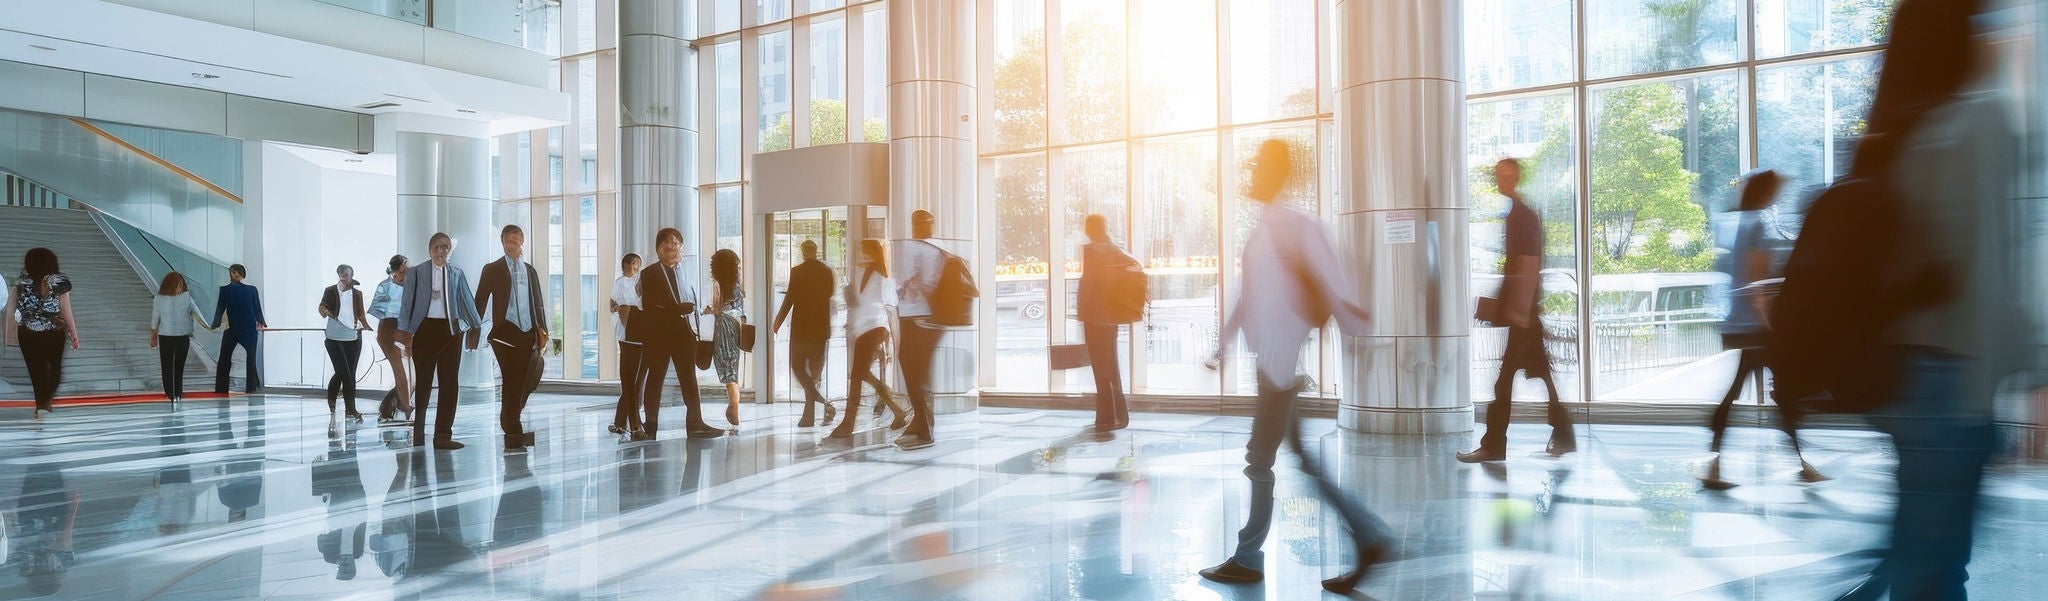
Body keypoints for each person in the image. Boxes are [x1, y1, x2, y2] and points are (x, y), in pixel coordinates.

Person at [1838, 1, 2033, 598]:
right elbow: (1989, 270)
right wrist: (2014, 387)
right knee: (1933, 568)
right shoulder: (1979, 119)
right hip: (1952, 377)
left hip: (1902, 377)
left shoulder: (1891, 132)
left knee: (1918, 560)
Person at [1199, 139, 1389, 594]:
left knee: (1264, 457)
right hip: (1274, 365)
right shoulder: (1264, 230)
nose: (1251, 174)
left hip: (1280, 369)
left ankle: (1362, 538)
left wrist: (1358, 329)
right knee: (1283, 458)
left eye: (1260, 167)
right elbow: (1248, 296)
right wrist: (1221, 346)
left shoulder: (1296, 226)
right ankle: (1363, 538)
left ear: (1278, 173)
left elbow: (1334, 285)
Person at [1701, 170, 1825, 489]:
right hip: (1757, 326)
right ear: (1766, 192)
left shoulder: (1740, 222)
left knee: (1754, 393)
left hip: (1742, 323)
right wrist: (1773, 324)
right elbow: (1758, 282)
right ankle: (1799, 463)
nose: (1779, 196)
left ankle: (1718, 462)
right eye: (1776, 190)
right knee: (1778, 394)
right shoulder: (1758, 223)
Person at [1459, 158, 1574, 463]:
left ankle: (1495, 444)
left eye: (1507, 176)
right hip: (1525, 313)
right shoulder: (1520, 213)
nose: (1502, 181)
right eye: (1499, 175)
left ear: (1517, 177)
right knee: (1541, 376)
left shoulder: (1521, 216)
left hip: (1523, 314)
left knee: (1504, 381)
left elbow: (1527, 262)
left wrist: (1518, 310)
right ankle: (1562, 432)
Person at [397, 233, 484, 451]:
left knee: (449, 385)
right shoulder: (417, 273)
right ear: (429, 250)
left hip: (451, 332)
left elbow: (466, 299)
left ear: (449, 251)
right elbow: (406, 305)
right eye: (437, 247)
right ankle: (418, 433)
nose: (440, 251)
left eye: (445, 247)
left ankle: (443, 436)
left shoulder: (456, 273)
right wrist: (405, 335)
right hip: (424, 331)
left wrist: (476, 325)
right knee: (424, 384)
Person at [638, 228, 723, 440]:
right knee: (655, 379)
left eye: (677, 244)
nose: (674, 248)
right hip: (659, 335)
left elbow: (691, 297)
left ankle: (695, 424)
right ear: (659, 249)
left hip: (685, 333)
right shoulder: (649, 273)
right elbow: (650, 306)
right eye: (669, 244)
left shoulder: (685, 271)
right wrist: (675, 309)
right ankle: (651, 425)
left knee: (689, 379)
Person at [474, 225, 549, 452]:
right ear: (502, 242)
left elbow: (538, 302)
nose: (512, 244)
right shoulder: (492, 269)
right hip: (504, 332)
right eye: (508, 241)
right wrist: (472, 330)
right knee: (511, 378)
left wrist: (543, 330)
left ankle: (511, 419)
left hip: (528, 332)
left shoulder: (530, 270)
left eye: (516, 240)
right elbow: (480, 300)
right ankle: (512, 428)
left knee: (527, 378)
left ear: (522, 241)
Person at [829, 239, 907, 438]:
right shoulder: (858, 273)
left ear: (873, 254)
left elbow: (891, 303)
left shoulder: (883, 277)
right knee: (862, 374)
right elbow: (855, 302)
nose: (860, 257)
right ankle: (897, 410)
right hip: (862, 329)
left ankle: (848, 424)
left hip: (874, 328)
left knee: (857, 375)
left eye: (864, 252)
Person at [892, 210, 949, 450]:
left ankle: (924, 427)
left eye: (922, 223)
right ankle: (921, 421)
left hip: (921, 317)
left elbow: (928, 283)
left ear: (931, 225)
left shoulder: (931, 249)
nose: (918, 227)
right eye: (916, 223)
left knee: (916, 371)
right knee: (913, 369)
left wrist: (911, 286)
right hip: (912, 315)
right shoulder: (928, 248)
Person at [1077, 214, 1137, 431]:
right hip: (1110, 316)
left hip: (1094, 316)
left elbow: (1090, 285)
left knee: (1100, 367)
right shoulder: (1115, 250)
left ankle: (1106, 417)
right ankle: (1118, 415)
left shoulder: (1092, 251)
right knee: (1110, 365)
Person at [5, 248, 79, 418]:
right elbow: (66, 311)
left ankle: (41, 406)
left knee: (36, 370)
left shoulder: (21, 280)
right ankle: (45, 402)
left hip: (27, 333)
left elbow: (11, 307)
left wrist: (9, 333)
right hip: (54, 333)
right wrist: (74, 335)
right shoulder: (60, 280)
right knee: (55, 369)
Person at [772, 240, 838, 428]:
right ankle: (817, 410)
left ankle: (813, 413)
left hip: (801, 329)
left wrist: (778, 321)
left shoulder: (797, 272)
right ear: (816, 251)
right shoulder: (826, 272)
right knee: (814, 374)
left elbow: (789, 298)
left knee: (798, 368)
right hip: (820, 330)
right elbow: (829, 296)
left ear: (803, 252)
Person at [319, 265, 372, 421]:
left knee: (348, 374)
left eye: (346, 275)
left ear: (351, 276)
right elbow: (322, 306)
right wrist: (326, 311)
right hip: (334, 339)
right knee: (345, 374)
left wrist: (366, 326)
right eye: (341, 275)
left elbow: (361, 313)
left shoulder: (357, 294)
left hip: (354, 339)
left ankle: (333, 400)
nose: (343, 277)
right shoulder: (330, 291)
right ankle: (351, 410)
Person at [706, 249, 748, 429]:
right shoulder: (736, 284)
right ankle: (734, 407)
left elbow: (717, 308)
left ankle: (733, 406)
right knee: (733, 365)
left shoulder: (718, 283)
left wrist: (708, 310)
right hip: (736, 324)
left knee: (726, 367)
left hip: (722, 325)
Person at [369, 256, 414, 424]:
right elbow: (378, 311)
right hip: (389, 330)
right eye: (404, 269)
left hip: (406, 329)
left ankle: (394, 405)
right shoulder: (385, 286)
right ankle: (406, 406)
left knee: (412, 373)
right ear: (397, 270)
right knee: (400, 371)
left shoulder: (411, 286)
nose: (407, 272)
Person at [211, 264, 267, 394]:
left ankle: (252, 387)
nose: (236, 275)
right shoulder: (225, 290)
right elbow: (220, 307)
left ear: (242, 275)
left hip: (248, 328)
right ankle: (221, 389)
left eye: (238, 273)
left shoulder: (252, 290)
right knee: (224, 358)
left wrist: (261, 321)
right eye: (234, 272)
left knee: (251, 358)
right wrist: (216, 323)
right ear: (231, 273)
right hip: (233, 328)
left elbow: (256, 306)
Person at [610, 253, 646, 437]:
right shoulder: (623, 282)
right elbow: (619, 305)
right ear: (625, 265)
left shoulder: (634, 282)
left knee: (633, 381)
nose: (636, 269)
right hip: (630, 334)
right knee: (630, 381)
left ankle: (619, 422)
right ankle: (634, 424)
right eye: (634, 265)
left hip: (636, 334)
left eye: (638, 265)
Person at [150, 271, 198, 402]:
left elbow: (155, 318)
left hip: (170, 336)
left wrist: (153, 335)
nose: (181, 287)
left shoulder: (160, 298)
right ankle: (175, 392)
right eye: (180, 284)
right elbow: (155, 319)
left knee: (170, 365)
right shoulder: (187, 297)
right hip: (177, 336)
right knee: (174, 365)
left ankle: (173, 392)